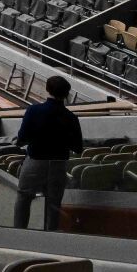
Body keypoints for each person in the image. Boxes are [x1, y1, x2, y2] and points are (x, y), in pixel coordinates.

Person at [13, 75, 84, 231]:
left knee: (24, 196)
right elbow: (78, 147)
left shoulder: (34, 110)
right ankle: (49, 236)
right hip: (59, 164)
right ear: (66, 94)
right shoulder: (71, 117)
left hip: (36, 161)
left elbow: (22, 138)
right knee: (54, 202)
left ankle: (18, 233)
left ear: (47, 89)